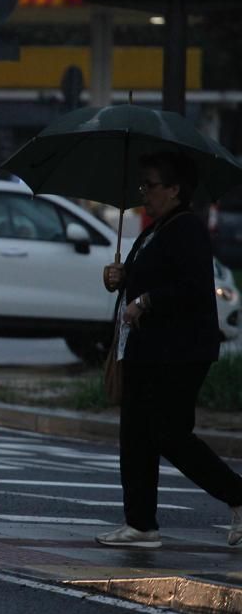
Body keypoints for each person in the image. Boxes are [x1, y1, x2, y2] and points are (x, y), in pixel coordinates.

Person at [97, 150, 242, 548]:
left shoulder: (186, 228)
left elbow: (191, 286)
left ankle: (238, 495)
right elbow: (147, 275)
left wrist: (146, 301)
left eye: (152, 185)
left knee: (169, 434)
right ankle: (140, 524)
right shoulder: (155, 229)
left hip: (179, 352)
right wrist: (120, 276)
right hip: (147, 351)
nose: (145, 192)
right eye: (143, 184)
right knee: (136, 435)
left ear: (176, 189)